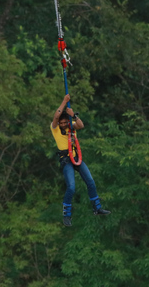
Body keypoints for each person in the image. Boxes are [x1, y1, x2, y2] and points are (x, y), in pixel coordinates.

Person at [51, 94, 111, 227]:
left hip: (77, 157)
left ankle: (97, 208)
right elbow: (56, 116)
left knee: (90, 181)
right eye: (62, 123)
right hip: (66, 160)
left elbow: (81, 125)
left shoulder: (71, 126)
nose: (63, 125)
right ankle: (66, 215)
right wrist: (64, 101)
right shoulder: (55, 129)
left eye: (65, 123)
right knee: (71, 187)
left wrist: (73, 115)